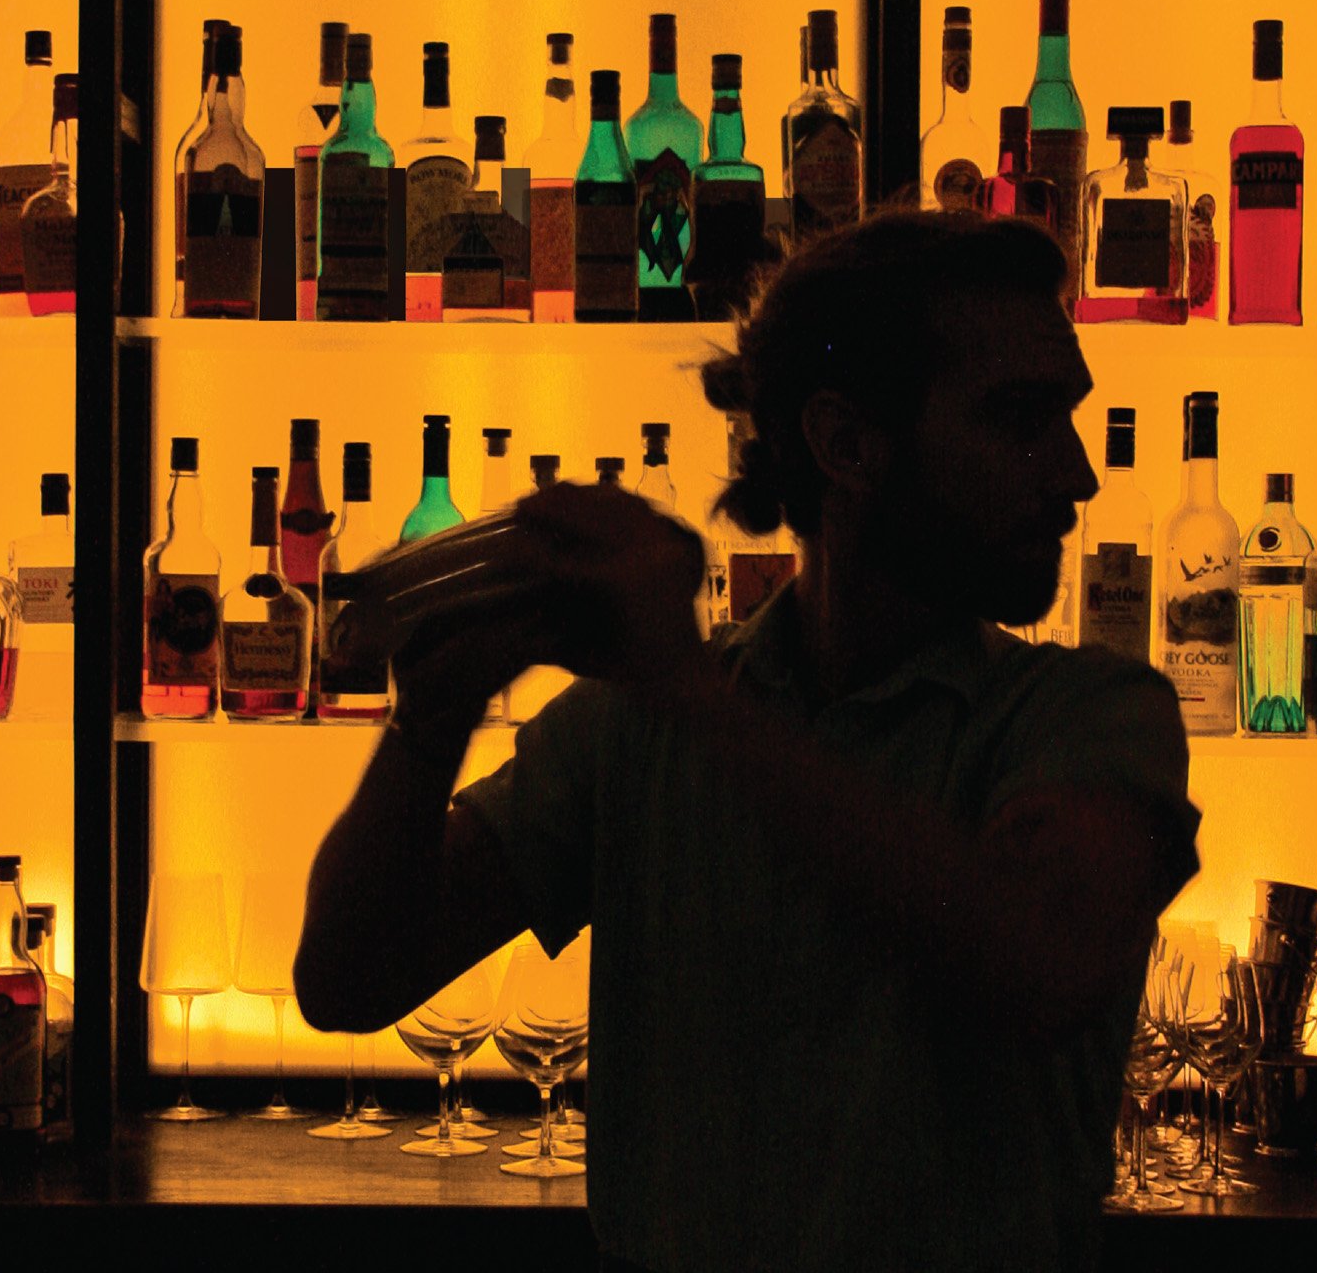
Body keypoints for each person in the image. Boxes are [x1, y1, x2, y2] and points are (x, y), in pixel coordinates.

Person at [294, 210, 1200, 1272]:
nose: (1078, 476)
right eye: (1022, 419)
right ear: (848, 442)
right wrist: (431, 713)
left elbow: (1037, 960)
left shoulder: (1085, 714)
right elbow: (347, 978)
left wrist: (683, 686)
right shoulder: (632, 724)